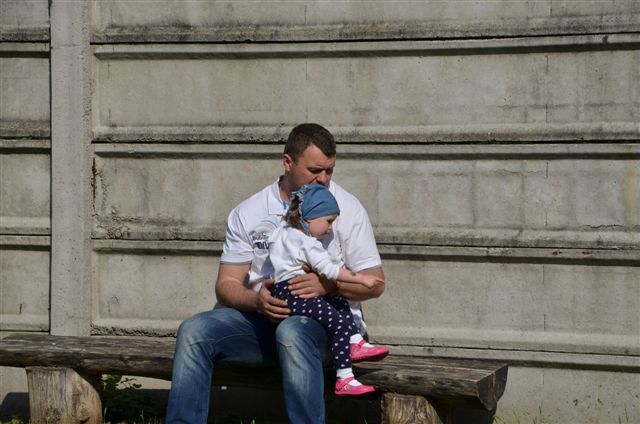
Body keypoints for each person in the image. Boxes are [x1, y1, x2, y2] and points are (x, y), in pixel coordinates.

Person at [165, 123, 385, 424]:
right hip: (261, 324)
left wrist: (329, 286)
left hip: (325, 328)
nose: (323, 179)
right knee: (194, 330)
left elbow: (376, 283)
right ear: (287, 162)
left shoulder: (347, 208)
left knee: (292, 331)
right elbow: (226, 284)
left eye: (330, 170)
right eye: (315, 170)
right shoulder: (249, 212)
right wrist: (257, 301)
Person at [268, 183, 389, 396]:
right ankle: (345, 378)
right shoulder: (308, 243)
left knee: (337, 299)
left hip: (283, 291)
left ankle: (355, 341)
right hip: (297, 295)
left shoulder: (281, 233)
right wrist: (362, 279)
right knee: (339, 324)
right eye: (329, 221)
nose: (330, 228)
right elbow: (331, 271)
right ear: (309, 218)